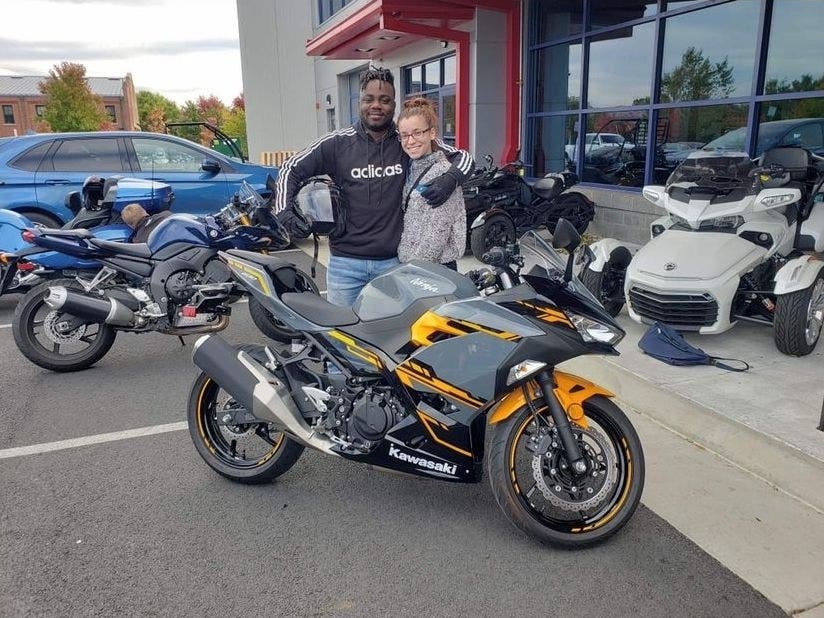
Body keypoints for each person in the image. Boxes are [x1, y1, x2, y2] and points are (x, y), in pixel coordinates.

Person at [274, 65, 474, 306]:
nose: (376, 105)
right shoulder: (338, 143)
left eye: (385, 100)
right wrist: (283, 212)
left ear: (394, 104)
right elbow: (289, 168)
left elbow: (463, 158)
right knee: (342, 337)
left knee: (391, 339)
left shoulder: (405, 140)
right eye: (369, 99)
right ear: (360, 101)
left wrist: (451, 178)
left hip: (393, 264)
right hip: (345, 265)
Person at [396, 98, 466, 271]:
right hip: (410, 263)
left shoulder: (442, 173)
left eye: (417, 133)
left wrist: (412, 269)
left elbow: (437, 233)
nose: (410, 141)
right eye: (404, 135)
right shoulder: (411, 167)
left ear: (432, 133)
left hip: (433, 269)